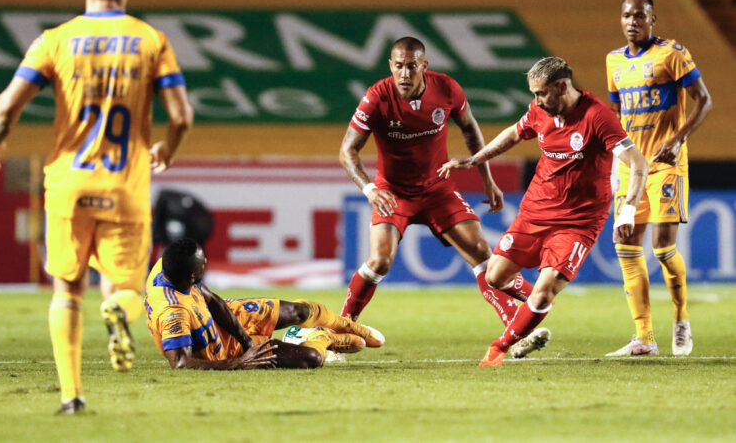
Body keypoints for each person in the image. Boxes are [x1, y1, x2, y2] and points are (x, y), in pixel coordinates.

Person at [0, 0, 194, 413]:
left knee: (67, 290)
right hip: (124, 185)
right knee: (125, 287)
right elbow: (182, 114)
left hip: (67, 185)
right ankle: (118, 309)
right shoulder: (149, 39)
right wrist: (168, 148)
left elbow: (6, 106)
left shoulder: (55, 40)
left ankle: (72, 395)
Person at [339, 36, 544, 358]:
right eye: (398, 66)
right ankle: (342, 327)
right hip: (393, 192)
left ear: (424, 66)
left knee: (480, 251)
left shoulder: (447, 89)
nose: (404, 73)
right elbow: (347, 150)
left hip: (437, 188)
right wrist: (370, 189)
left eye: (411, 66)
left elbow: (470, 129)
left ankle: (515, 327)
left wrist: (486, 179)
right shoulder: (376, 97)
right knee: (380, 260)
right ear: (390, 66)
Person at [439, 56, 649, 366]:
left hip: (577, 222)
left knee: (543, 291)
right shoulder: (540, 110)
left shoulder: (598, 117)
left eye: (541, 93)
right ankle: (538, 303)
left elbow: (639, 164)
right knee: (495, 276)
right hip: (535, 212)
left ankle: (499, 348)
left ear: (562, 87)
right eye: (534, 93)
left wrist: (628, 211)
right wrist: (475, 160)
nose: (535, 100)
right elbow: (513, 133)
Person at [605, 0, 712, 356]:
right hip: (629, 167)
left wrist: (679, 139)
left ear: (653, 19)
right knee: (625, 247)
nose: (632, 21)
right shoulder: (614, 61)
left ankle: (681, 318)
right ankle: (644, 338)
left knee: (663, 249)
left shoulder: (672, 54)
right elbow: (616, 116)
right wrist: (613, 164)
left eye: (639, 15)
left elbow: (704, 99)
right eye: (626, 15)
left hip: (665, 164)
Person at [145, 238, 385, 370]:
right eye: (202, 265)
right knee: (312, 358)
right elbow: (179, 362)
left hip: (228, 317)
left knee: (300, 310)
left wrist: (246, 340)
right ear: (189, 277)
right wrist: (240, 361)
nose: (206, 262)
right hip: (223, 352)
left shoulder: (168, 267)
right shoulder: (173, 313)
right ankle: (325, 337)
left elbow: (213, 300)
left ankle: (347, 324)